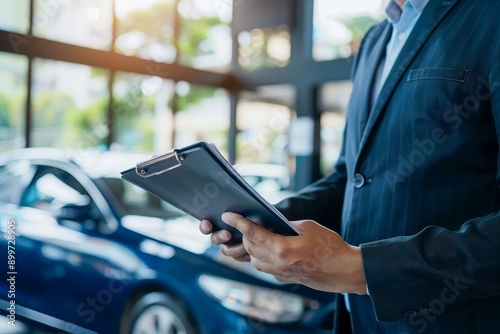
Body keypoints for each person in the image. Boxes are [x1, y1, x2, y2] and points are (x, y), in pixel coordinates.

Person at [200, 0, 500, 333]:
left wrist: (360, 269)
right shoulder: (374, 41)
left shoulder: (489, 15)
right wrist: (269, 219)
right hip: (356, 320)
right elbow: (351, 176)